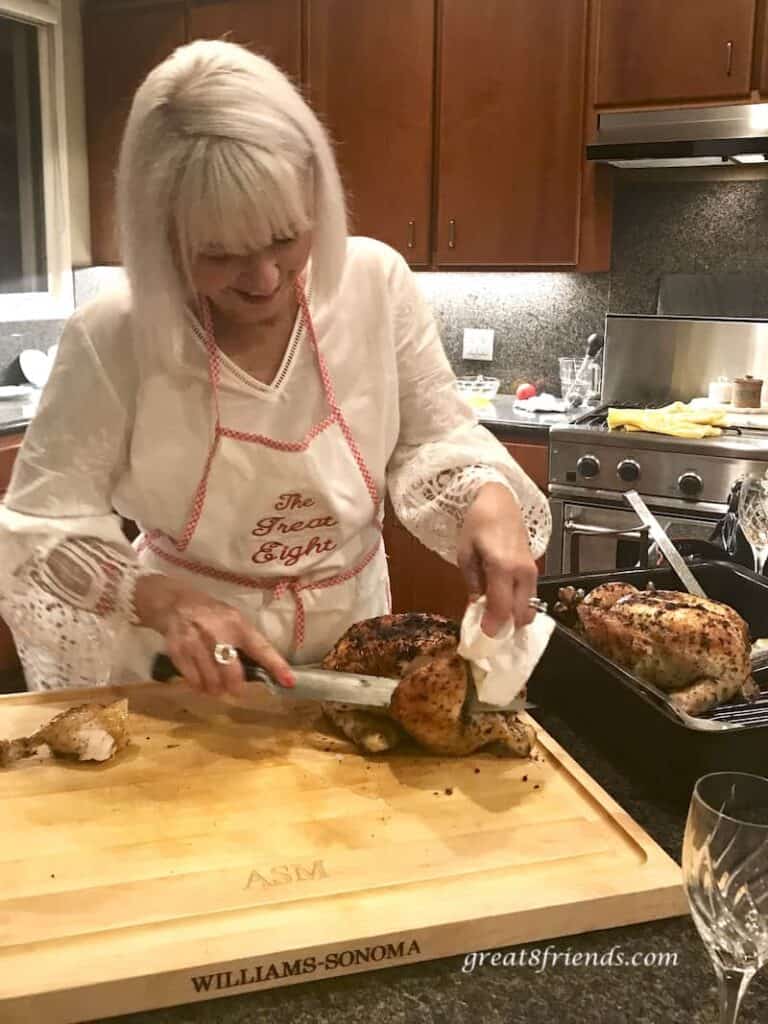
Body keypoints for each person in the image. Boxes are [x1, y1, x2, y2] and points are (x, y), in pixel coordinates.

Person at [0, 39, 551, 697]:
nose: (265, 280)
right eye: (219, 254)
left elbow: (430, 439)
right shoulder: (114, 335)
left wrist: (487, 498)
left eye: (287, 236)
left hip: (359, 655)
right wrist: (162, 601)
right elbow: (37, 539)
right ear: (160, 237)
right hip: (196, 674)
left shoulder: (375, 283)